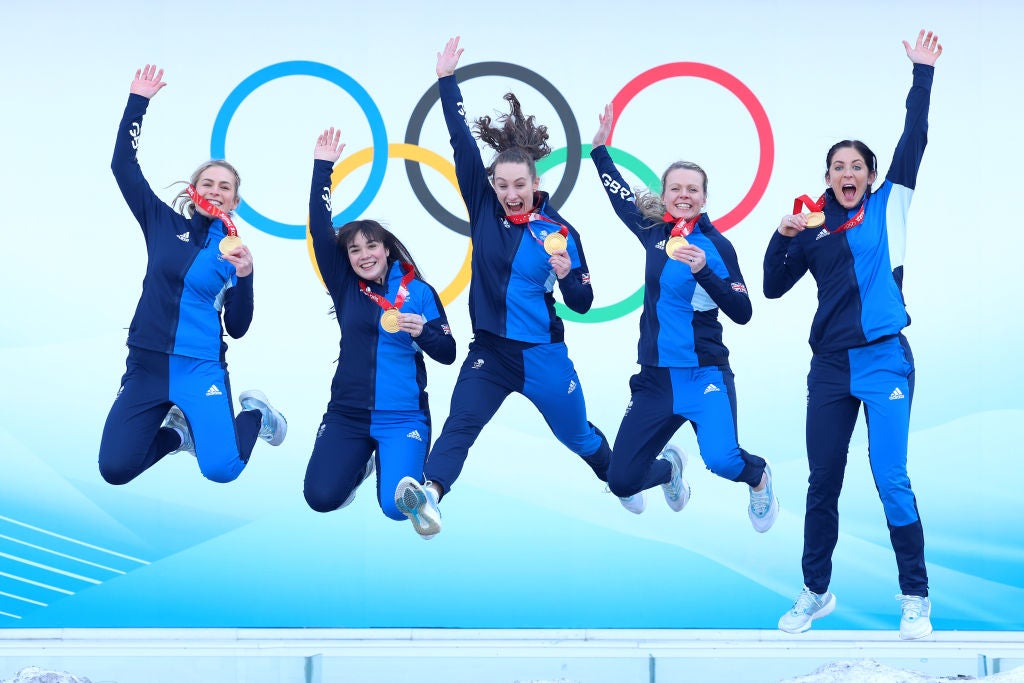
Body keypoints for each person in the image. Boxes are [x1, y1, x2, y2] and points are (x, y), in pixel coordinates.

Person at [394, 36, 612, 539]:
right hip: (490, 352)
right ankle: (429, 495)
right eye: (502, 185)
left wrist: (565, 274)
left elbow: (582, 301)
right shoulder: (484, 208)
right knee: (460, 424)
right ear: (492, 185)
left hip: (543, 357)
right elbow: (461, 142)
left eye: (519, 185)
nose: (510, 193)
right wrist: (446, 81)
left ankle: (644, 475)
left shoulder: (560, 233)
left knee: (581, 439)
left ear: (535, 183)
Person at [763, 30, 942, 640]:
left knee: (891, 476)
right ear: (827, 177)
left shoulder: (891, 203)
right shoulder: (813, 225)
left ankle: (915, 596)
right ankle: (815, 592)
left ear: (869, 175)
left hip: (886, 360)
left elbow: (913, 139)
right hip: (830, 369)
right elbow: (771, 286)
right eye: (837, 167)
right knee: (823, 482)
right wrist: (783, 234)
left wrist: (921, 75)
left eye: (856, 167)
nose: (848, 174)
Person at [589, 106, 779, 529]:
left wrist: (704, 272)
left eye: (692, 189)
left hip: (704, 374)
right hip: (655, 379)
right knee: (621, 481)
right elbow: (620, 197)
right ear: (666, 193)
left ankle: (760, 477)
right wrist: (600, 151)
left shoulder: (717, 246)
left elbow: (743, 312)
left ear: (704, 198)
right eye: (676, 188)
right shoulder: (654, 232)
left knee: (723, 462)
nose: (684, 195)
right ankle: (669, 471)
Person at [99, 64, 287, 487]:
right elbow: (122, 166)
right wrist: (137, 102)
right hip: (145, 362)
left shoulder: (234, 252)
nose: (215, 191)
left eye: (225, 187)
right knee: (115, 468)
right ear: (192, 190)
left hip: (200, 367)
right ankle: (177, 434)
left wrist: (248, 277)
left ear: (235, 200)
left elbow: (237, 328)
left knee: (222, 469)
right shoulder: (162, 223)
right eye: (208, 183)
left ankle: (257, 415)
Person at [303, 127, 456, 521]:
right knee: (320, 498)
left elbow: (449, 353)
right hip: (347, 414)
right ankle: (362, 464)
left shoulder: (419, 292)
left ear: (386, 249)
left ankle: (394, 471)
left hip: (403, 416)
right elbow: (321, 232)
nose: (364, 255)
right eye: (355, 250)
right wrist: (323, 169)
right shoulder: (345, 287)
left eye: (372, 245)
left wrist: (423, 331)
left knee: (395, 508)